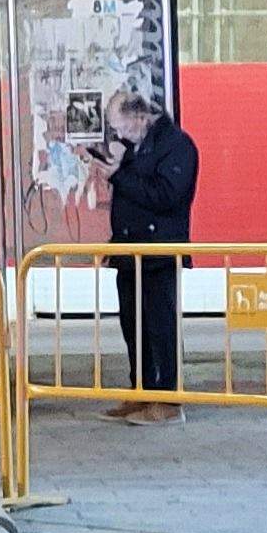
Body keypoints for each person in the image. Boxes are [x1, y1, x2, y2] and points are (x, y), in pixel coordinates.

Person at [89, 92, 197, 424]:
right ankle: (142, 389)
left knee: (160, 327)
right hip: (129, 251)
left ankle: (168, 399)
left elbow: (165, 195)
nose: (119, 134)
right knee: (134, 326)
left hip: (158, 253)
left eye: (121, 126)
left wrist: (119, 175)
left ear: (140, 118)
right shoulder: (137, 147)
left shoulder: (176, 146)